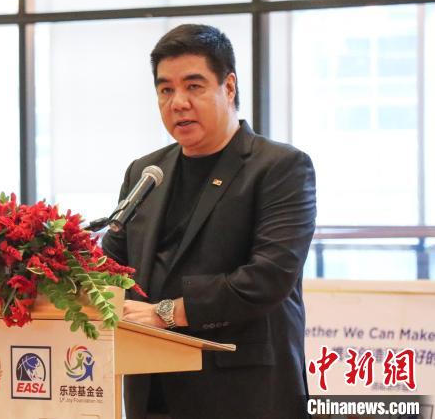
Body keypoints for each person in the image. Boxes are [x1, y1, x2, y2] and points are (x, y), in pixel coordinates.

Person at [102, 24, 316, 419]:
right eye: (166, 90)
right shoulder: (145, 172)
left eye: (194, 86)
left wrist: (167, 312)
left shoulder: (280, 167)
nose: (178, 102)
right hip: (152, 387)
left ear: (228, 87)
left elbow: (268, 278)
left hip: (243, 392)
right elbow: (112, 266)